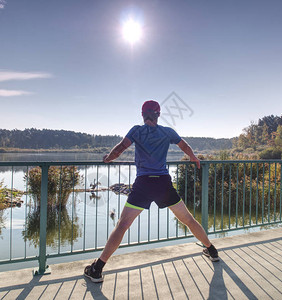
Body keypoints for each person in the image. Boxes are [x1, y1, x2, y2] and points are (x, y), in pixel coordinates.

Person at [84, 100, 219, 283]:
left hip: (144, 184)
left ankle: (97, 269)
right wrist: (193, 157)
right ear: (158, 114)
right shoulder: (167, 132)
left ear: (142, 114)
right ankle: (211, 250)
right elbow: (184, 145)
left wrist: (108, 158)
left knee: (122, 225)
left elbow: (121, 148)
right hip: (163, 183)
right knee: (188, 219)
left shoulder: (136, 131)